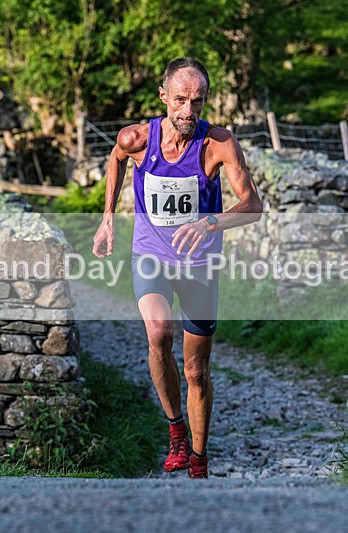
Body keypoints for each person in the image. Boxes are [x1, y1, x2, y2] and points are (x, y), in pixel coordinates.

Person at [92, 57, 262, 479]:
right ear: (164, 97)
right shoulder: (135, 138)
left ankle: (199, 458)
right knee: (158, 333)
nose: (188, 111)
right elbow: (115, 159)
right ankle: (175, 433)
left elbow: (252, 205)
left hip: (200, 265)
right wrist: (108, 215)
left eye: (198, 101)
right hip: (150, 254)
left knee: (196, 371)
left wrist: (211, 222)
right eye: (181, 100)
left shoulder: (218, 144)